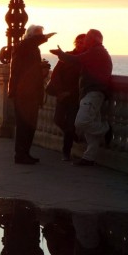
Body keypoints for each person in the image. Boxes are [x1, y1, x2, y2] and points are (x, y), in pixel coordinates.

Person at [51, 28, 113, 166]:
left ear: (92, 40)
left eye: (86, 39)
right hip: (92, 93)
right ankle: (89, 158)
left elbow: (76, 59)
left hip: (93, 93)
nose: (84, 42)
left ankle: (106, 129)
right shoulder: (97, 51)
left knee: (81, 122)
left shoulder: (96, 51)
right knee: (90, 130)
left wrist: (61, 54)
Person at [7, 24, 55, 165]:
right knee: (24, 126)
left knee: (30, 126)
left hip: (31, 92)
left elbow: (28, 69)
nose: (41, 37)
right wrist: (45, 37)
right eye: (38, 34)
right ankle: (21, 155)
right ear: (31, 35)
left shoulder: (31, 48)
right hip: (24, 93)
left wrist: (41, 68)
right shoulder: (23, 46)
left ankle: (25, 153)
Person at [45, 33, 85, 161]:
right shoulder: (67, 55)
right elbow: (56, 75)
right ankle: (74, 137)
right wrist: (60, 91)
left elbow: (83, 81)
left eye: (83, 42)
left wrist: (70, 92)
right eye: (78, 41)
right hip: (61, 95)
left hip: (74, 97)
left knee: (70, 124)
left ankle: (66, 152)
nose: (80, 44)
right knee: (58, 120)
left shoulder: (85, 59)